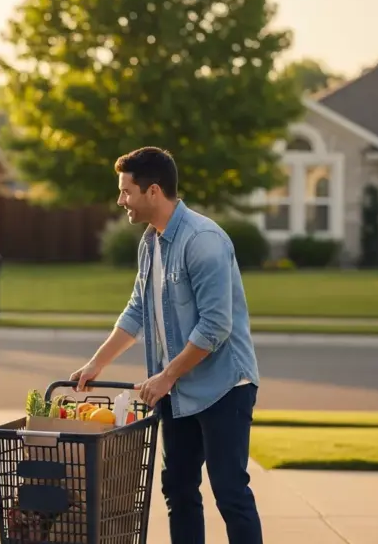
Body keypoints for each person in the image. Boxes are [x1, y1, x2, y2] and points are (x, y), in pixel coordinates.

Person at [70, 147, 262, 544]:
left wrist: (166, 376)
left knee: (229, 492)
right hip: (175, 388)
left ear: (153, 191)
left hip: (224, 386)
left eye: (126, 191)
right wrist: (96, 364)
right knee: (178, 489)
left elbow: (215, 327)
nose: (121, 200)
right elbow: (137, 311)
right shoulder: (151, 243)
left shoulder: (203, 240)